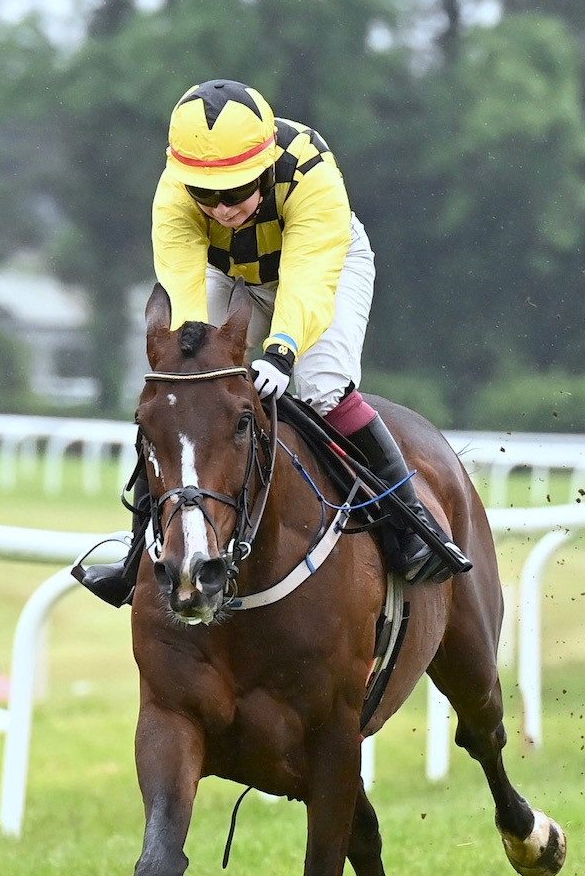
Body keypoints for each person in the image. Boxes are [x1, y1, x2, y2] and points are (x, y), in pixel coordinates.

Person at [77, 79, 469, 606]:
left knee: (320, 386)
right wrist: (197, 360)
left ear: (263, 168)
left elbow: (307, 274)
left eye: (235, 191)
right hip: (230, 273)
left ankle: (410, 522)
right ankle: (135, 556)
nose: (220, 208)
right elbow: (181, 280)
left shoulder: (310, 170)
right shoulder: (174, 188)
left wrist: (281, 350)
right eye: (205, 194)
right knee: (183, 396)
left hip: (322, 265)